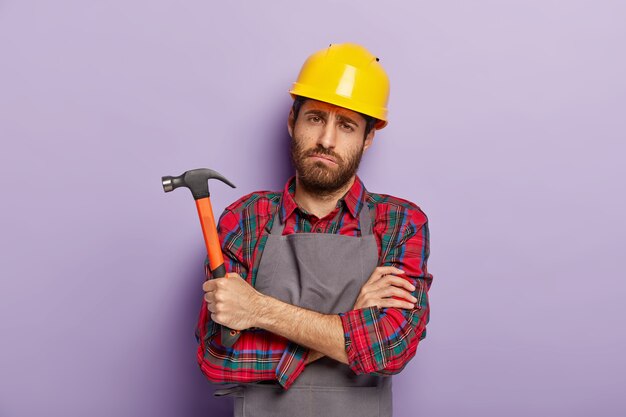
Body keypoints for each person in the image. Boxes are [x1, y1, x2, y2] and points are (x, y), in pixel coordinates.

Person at [196, 43, 433, 417]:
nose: (327, 140)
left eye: (347, 125)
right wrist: (351, 326)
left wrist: (258, 310)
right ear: (292, 121)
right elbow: (218, 358)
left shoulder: (401, 223)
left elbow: (390, 350)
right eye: (315, 118)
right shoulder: (245, 219)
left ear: (369, 138)